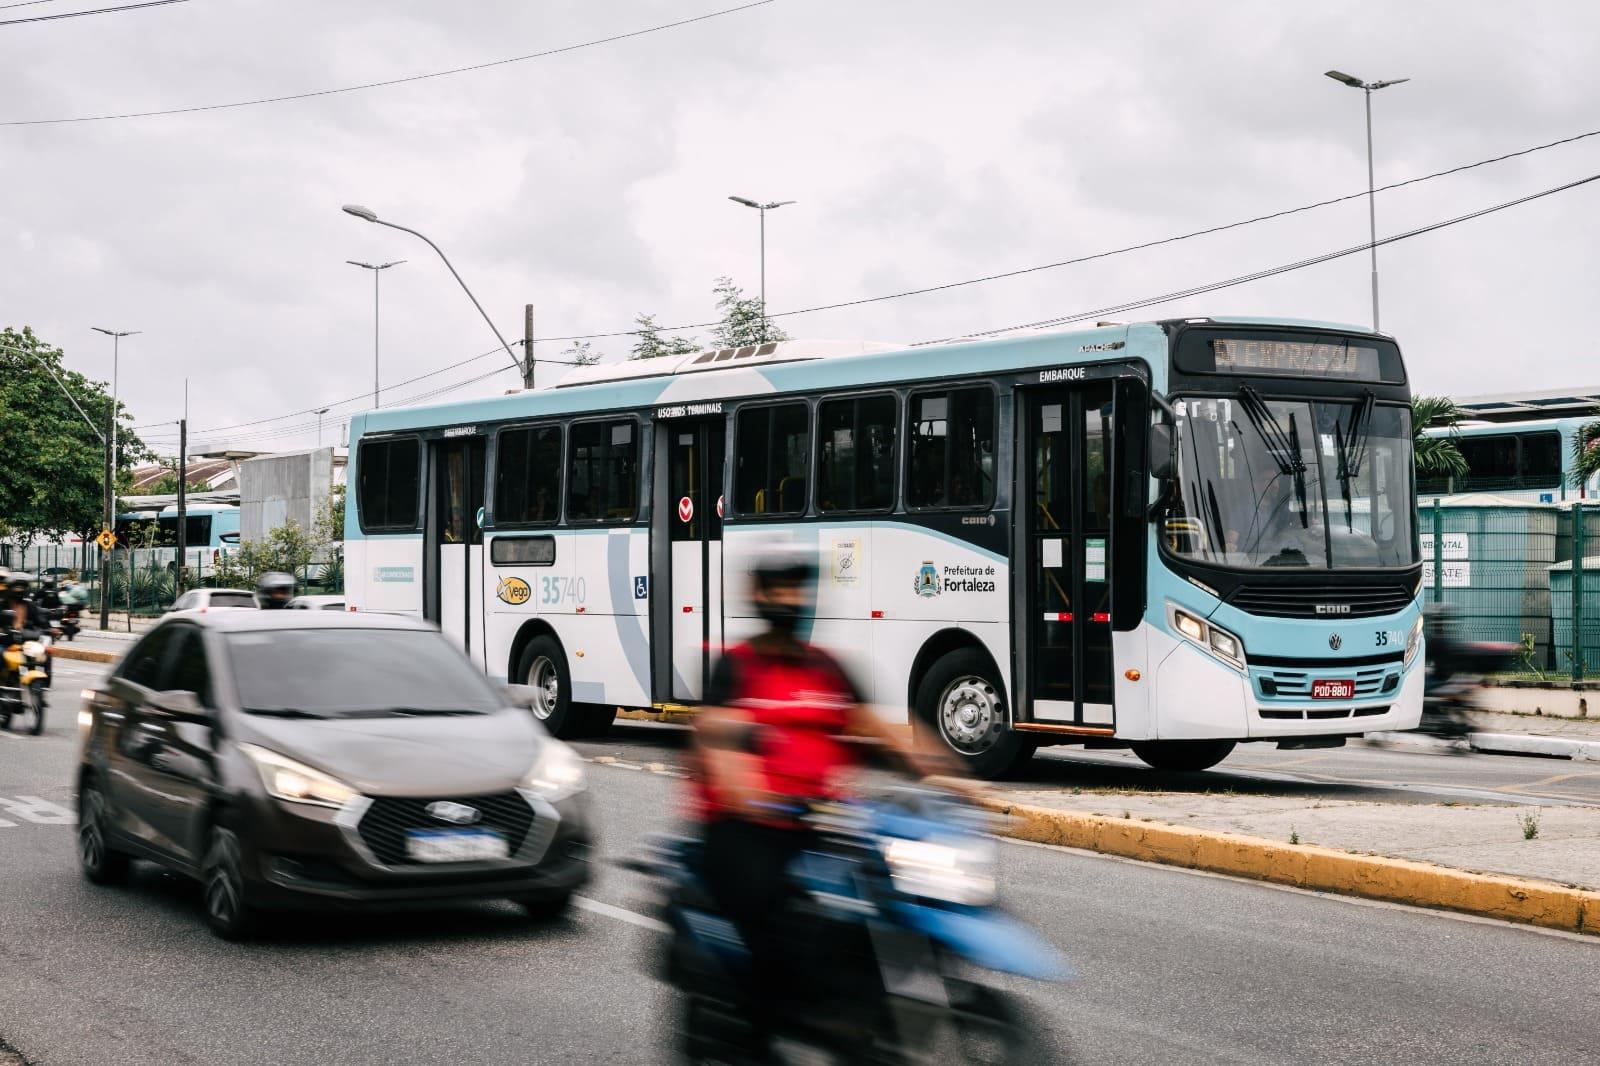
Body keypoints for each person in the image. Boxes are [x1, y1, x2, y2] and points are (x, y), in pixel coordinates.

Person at [688, 544, 954, 1042]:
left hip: (817, 825)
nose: (792, 599)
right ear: (760, 596)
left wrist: (950, 774)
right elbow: (720, 741)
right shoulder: (737, 668)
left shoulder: (828, 667)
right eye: (781, 589)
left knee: (890, 906)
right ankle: (767, 1035)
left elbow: (887, 731)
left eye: (799, 589)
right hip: (744, 830)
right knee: (779, 925)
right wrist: (752, 792)